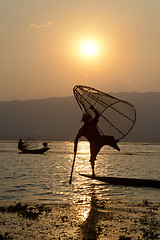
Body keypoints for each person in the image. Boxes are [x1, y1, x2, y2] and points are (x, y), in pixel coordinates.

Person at [74, 106, 120, 176]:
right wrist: (75, 148)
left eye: (87, 119)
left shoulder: (90, 124)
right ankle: (93, 173)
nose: (86, 120)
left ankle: (114, 144)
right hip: (95, 143)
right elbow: (76, 138)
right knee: (92, 158)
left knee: (111, 138)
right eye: (86, 119)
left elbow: (97, 115)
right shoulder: (84, 128)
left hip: (99, 140)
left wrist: (93, 109)